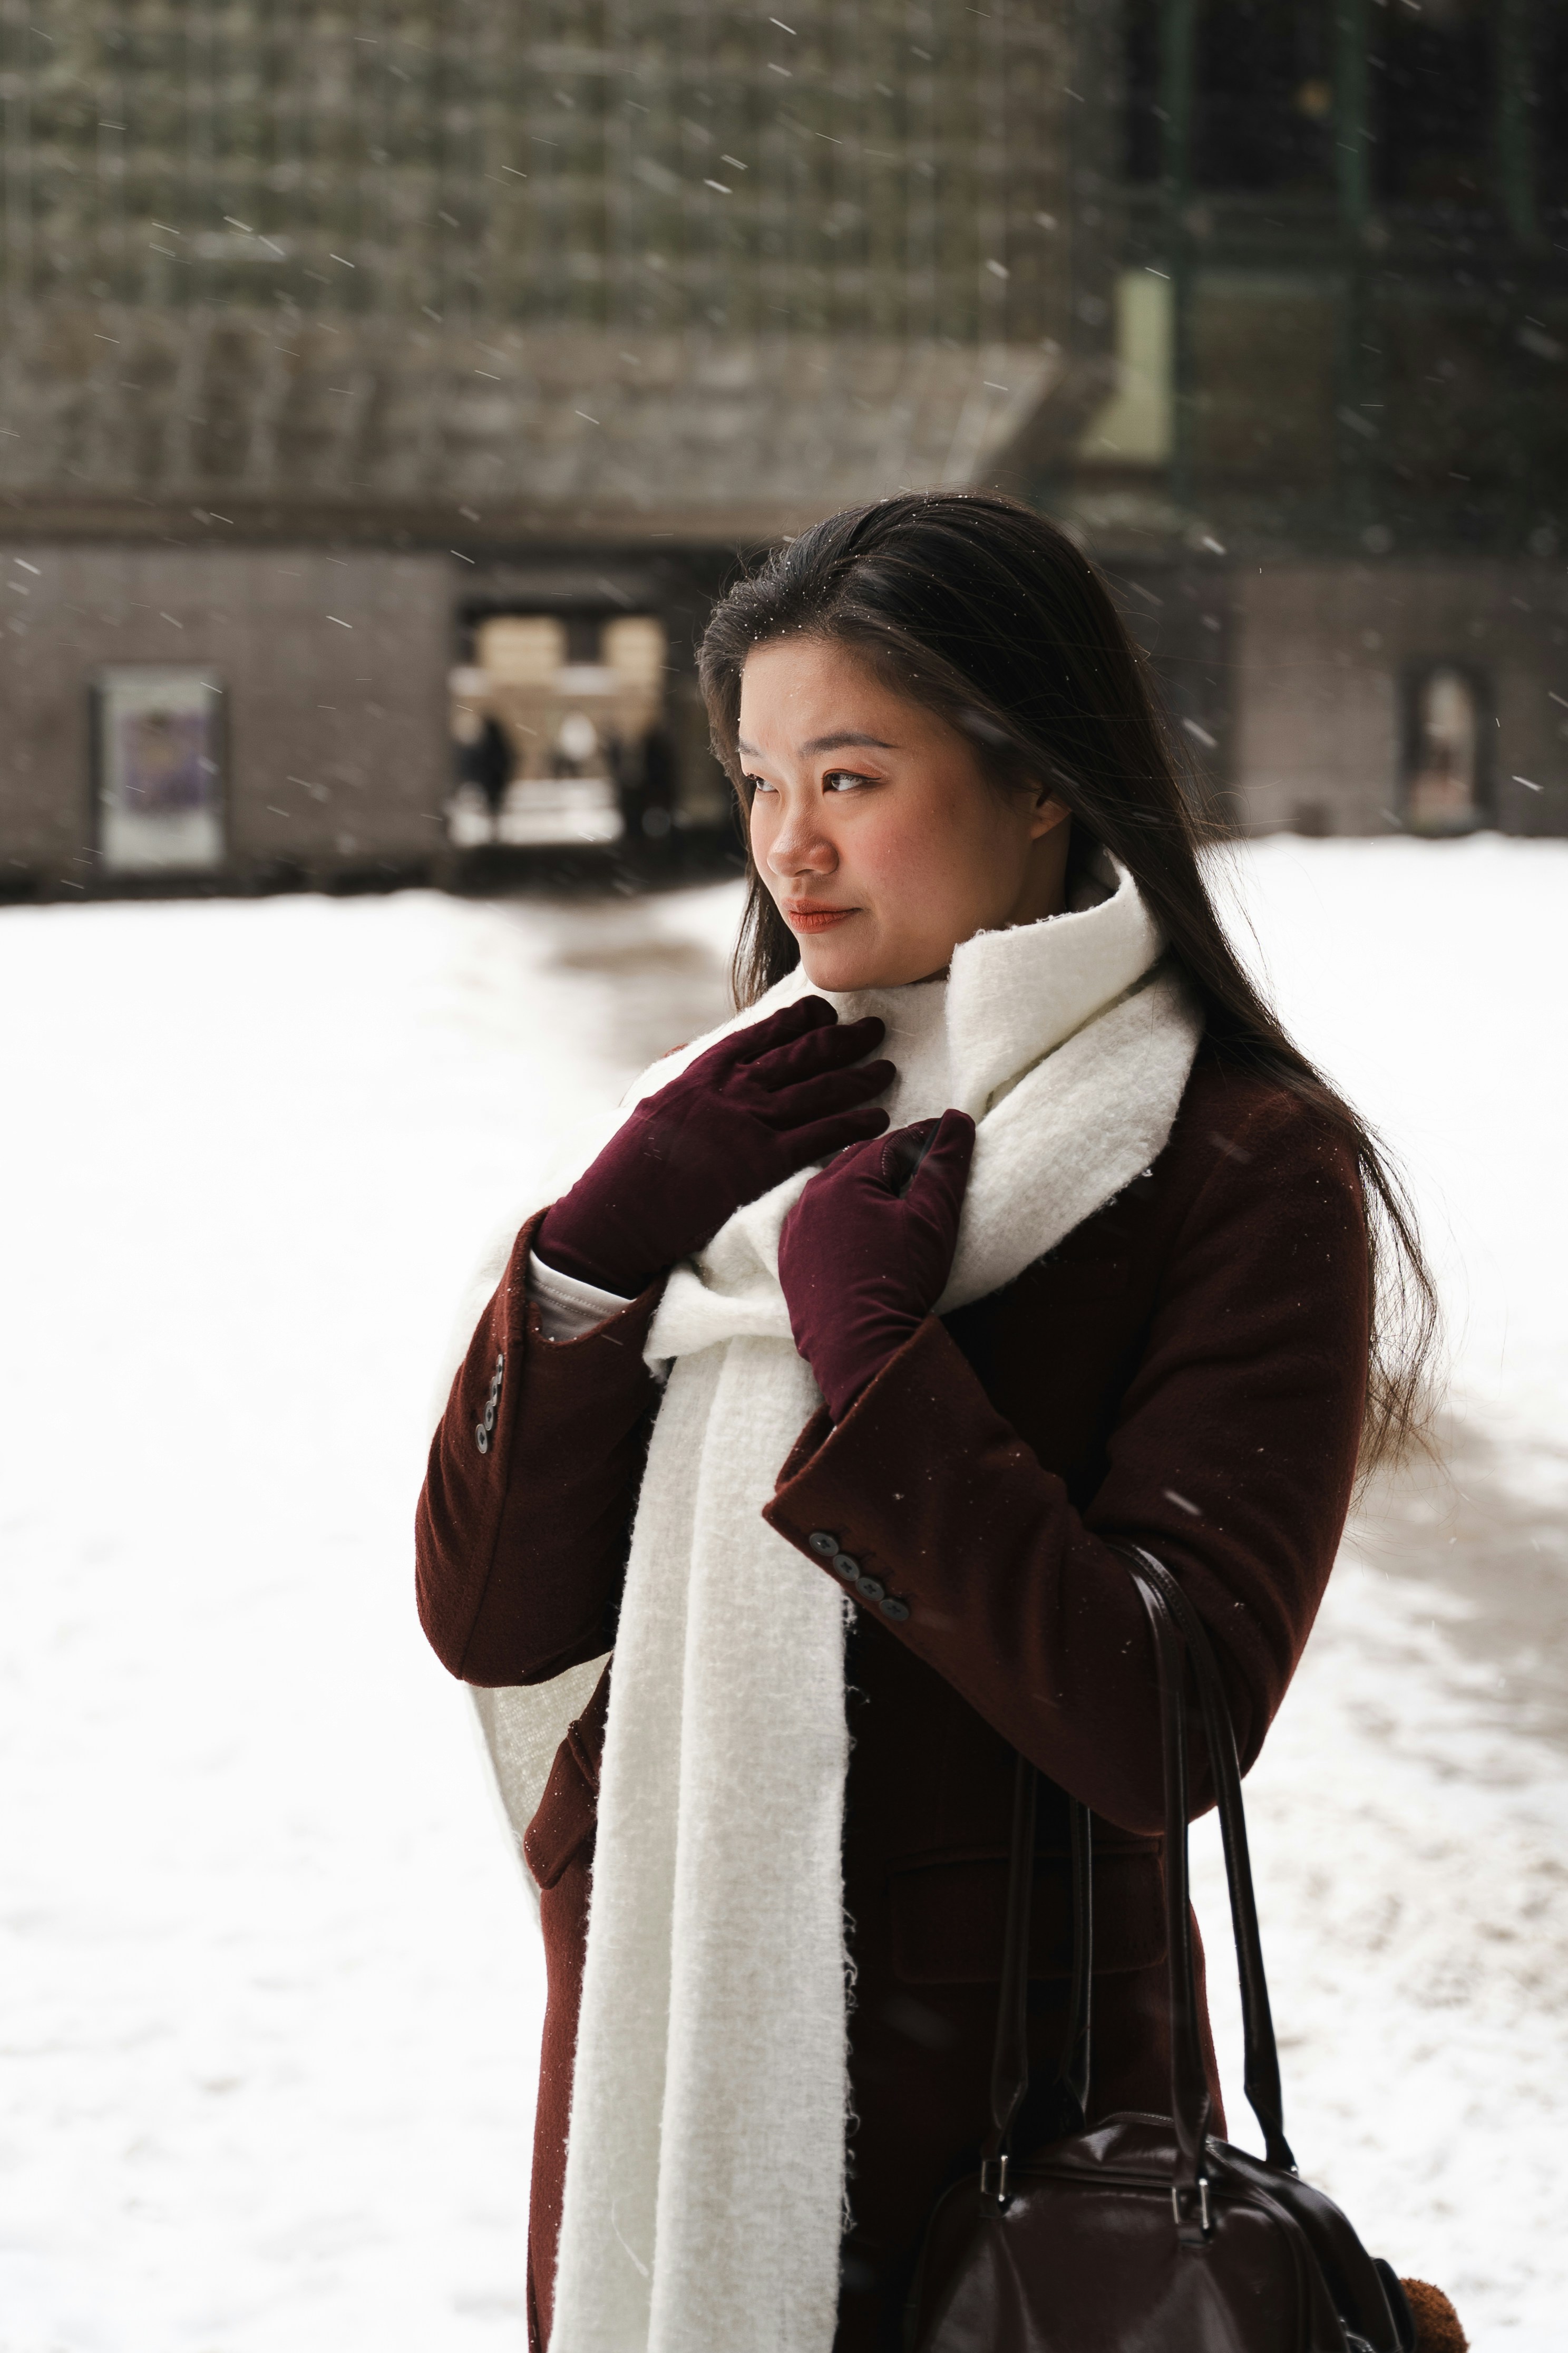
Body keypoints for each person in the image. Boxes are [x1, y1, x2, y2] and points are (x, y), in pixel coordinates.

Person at [414, 493, 1436, 2353]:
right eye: (757, 781)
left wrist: (882, 1375)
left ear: (1039, 782)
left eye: (853, 776)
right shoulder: (725, 1123)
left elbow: (1166, 1711)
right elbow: (494, 1627)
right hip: (670, 2061)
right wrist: (593, 1262)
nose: (788, 849)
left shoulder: (1233, 1159)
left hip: (1016, 2149)